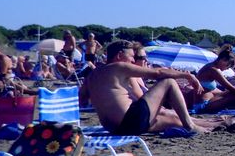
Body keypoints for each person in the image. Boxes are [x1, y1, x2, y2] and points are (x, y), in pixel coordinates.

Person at [83, 40, 223, 135]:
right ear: (120, 55)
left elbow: (82, 99)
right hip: (130, 120)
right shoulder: (119, 67)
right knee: (168, 82)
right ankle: (190, 126)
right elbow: (158, 73)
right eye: (131, 57)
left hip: (115, 128)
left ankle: (218, 124)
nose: (133, 60)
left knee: (172, 120)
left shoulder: (92, 75)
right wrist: (188, 76)